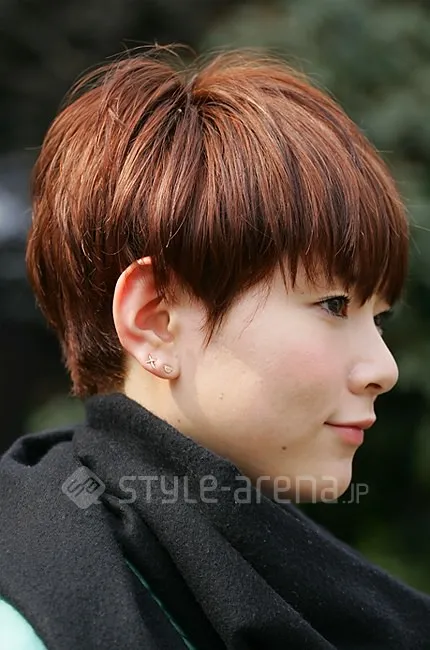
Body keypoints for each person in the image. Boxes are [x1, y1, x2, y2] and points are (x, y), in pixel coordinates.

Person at [0, 44, 429, 650]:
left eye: (379, 317)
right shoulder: (29, 621)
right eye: (334, 304)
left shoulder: (303, 590)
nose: (383, 369)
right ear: (155, 320)